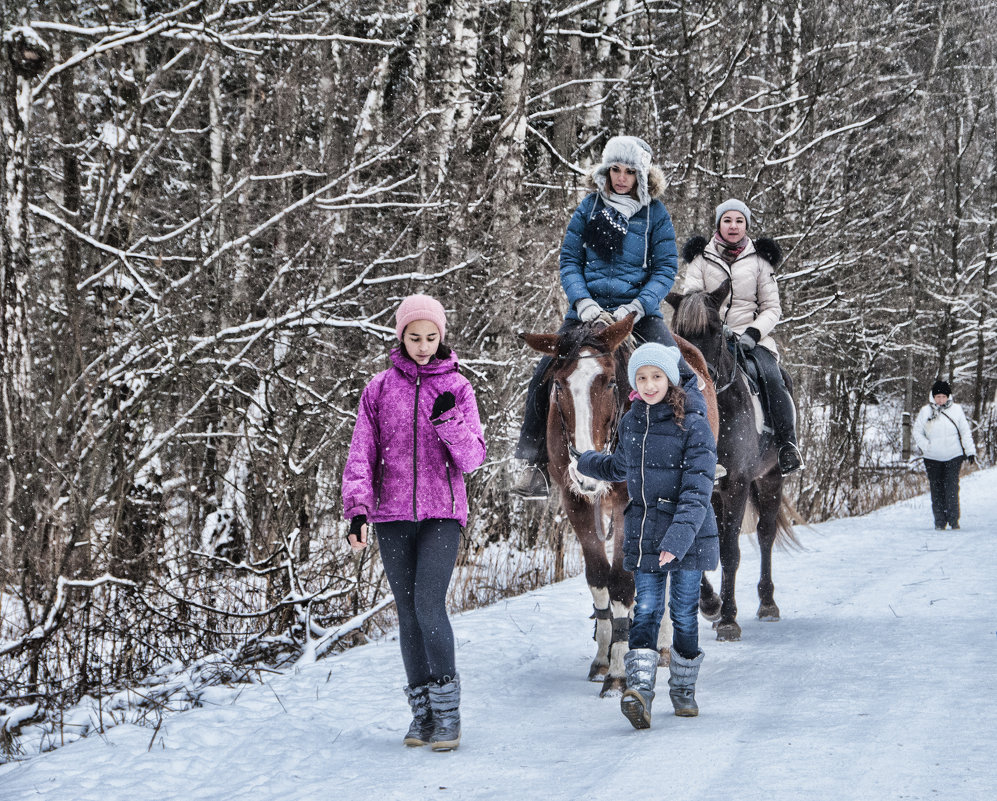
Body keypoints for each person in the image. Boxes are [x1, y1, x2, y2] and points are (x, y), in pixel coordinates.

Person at [513, 135, 699, 499]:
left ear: (641, 174)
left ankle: (696, 453)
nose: (621, 178)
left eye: (629, 171)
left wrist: (637, 306)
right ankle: (534, 464)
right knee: (542, 376)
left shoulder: (655, 214)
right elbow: (569, 262)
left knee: (682, 372)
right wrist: (584, 303)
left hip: (637, 314)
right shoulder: (588, 207)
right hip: (586, 312)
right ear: (606, 169)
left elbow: (665, 269)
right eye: (615, 169)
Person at [341, 294, 486, 751]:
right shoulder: (379, 389)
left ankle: (448, 714)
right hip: (391, 514)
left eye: (431, 337)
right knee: (407, 615)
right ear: (400, 337)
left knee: (428, 605)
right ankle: (422, 715)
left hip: (443, 513)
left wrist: (449, 421)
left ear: (441, 337)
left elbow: (474, 458)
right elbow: (360, 453)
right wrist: (357, 509)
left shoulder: (458, 388)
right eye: (414, 336)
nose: (423, 346)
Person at [573, 343, 718, 728]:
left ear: (670, 378)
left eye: (657, 376)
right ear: (633, 382)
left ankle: (684, 689)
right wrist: (585, 460)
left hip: (687, 537)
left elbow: (698, 488)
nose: (650, 384)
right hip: (646, 534)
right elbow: (621, 464)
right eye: (641, 377)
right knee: (647, 611)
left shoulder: (694, 424)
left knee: (684, 614)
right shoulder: (633, 421)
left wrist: (677, 539)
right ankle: (640, 690)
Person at [681, 198, 804, 476]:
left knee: (775, 377)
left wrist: (753, 332)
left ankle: (786, 445)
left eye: (739, 221)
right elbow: (691, 300)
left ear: (746, 225)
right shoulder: (701, 259)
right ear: (718, 224)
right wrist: (714, 326)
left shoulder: (760, 261)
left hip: (751, 338)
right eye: (727, 220)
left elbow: (773, 308)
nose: (733, 226)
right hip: (709, 336)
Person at [913, 379, 976, 530]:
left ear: (948, 396)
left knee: (951, 489)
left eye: (943, 396)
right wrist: (926, 446)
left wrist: (970, 451)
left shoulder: (956, 410)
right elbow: (917, 432)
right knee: (936, 490)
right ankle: (940, 522)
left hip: (953, 456)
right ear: (932, 397)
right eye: (937, 396)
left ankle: (954, 521)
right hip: (932, 458)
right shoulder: (925, 412)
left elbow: (965, 432)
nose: (940, 400)